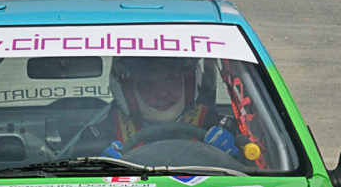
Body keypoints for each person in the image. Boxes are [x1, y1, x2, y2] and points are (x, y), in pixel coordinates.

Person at [76, 56, 240, 159]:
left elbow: (257, 170)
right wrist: (96, 169)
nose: (162, 93)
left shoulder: (222, 128)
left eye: (169, 81)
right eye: (148, 84)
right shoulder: (98, 137)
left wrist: (238, 158)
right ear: (128, 91)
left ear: (188, 84)